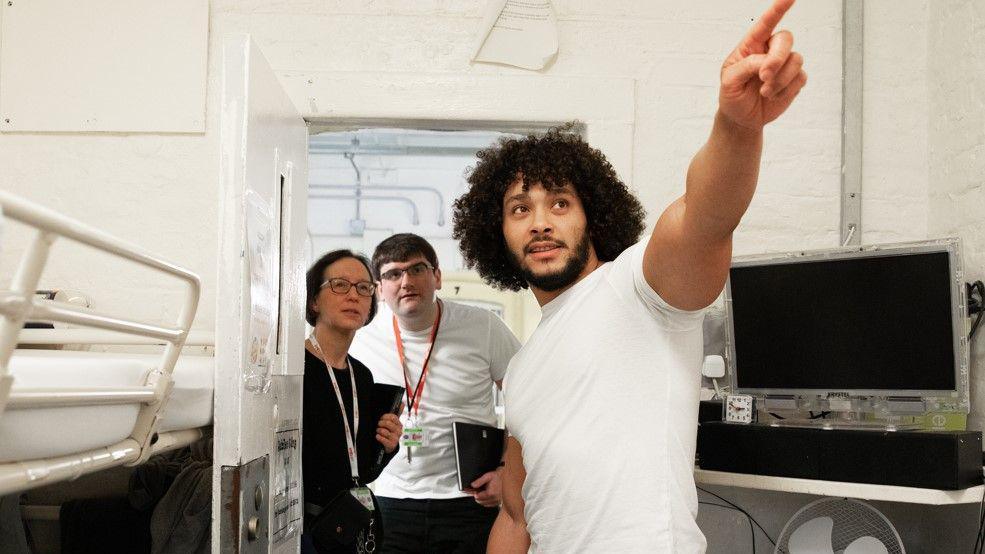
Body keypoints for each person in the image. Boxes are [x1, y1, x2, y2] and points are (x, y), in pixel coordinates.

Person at [451, 1, 807, 551]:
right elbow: (518, 515)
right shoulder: (520, 371)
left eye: (560, 204)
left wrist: (735, 127)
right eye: (520, 209)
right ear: (497, 234)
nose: (541, 222)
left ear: (594, 216)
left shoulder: (638, 290)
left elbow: (705, 219)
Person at [348, 233, 522, 553]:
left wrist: (507, 474)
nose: (406, 281)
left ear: (437, 276)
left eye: (417, 269)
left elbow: (531, 401)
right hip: (391, 501)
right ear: (379, 290)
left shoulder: (482, 326)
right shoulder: (360, 340)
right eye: (393, 274)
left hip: (469, 502)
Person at [302, 250, 405, 554]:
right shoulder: (292, 368)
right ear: (314, 301)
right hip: (301, 531)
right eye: (340, 285)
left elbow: (363, 471)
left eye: (364, 288)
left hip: (347, 529)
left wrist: (387, 447)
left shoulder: (360, 375)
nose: (354, 295)